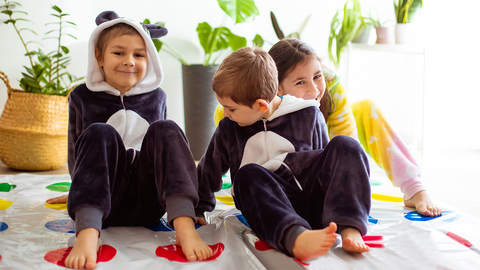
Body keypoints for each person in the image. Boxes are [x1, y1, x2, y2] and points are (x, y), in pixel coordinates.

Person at [51, 11, 212, 269]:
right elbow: (75, 148)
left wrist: (196, 205)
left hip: (147, 201)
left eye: (139, 54)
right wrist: (77, 189)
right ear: (99, 56)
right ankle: (88, 234)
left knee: (166, 129)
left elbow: (168, 155)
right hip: (104, 200)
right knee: (98, 131)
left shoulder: (156, 96)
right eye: (119, 53)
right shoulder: (82, 96)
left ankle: (184, 224)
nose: (129, 61)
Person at [214, 38, 442, 217]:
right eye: (301, 82)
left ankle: (415, 188)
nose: (314, 89)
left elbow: (345, 144)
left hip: (327, 150)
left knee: (367, 108)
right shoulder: (245, 109)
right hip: (278, 168)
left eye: (317, 77)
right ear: (276, 89)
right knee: (228, 114)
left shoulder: (332, 90)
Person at [196, 46, 371, 262]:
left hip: (312, 201)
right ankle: (295, 237)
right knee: (247, 174)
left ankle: (349, 227)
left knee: (346, 145)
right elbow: (208, 170)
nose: (226, 113)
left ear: (261, 105)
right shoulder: (228, 129)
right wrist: (198, 206)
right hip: (269, 207)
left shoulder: (308, 113)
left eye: (231, 109)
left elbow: (326, 163)